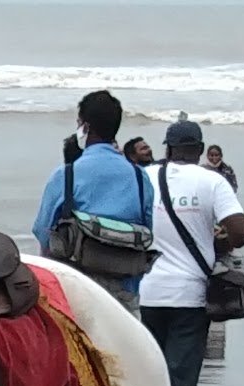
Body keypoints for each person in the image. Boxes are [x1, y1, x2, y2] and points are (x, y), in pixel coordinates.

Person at [140, 119, 244, 386]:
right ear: (200, 150)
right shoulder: (211, 181)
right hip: (189, 295)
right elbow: (241, 232)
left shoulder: (144, 177)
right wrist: (216, 241)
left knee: (149, 376)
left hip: (147, 290)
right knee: (181, 380)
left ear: (167, 148)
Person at [32, 90, 154, 313]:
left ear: (86, 127)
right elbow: (147, 229)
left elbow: (43, 232)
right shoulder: (139, 177)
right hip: (125, 292)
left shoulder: (67, 174)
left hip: (76, 290)